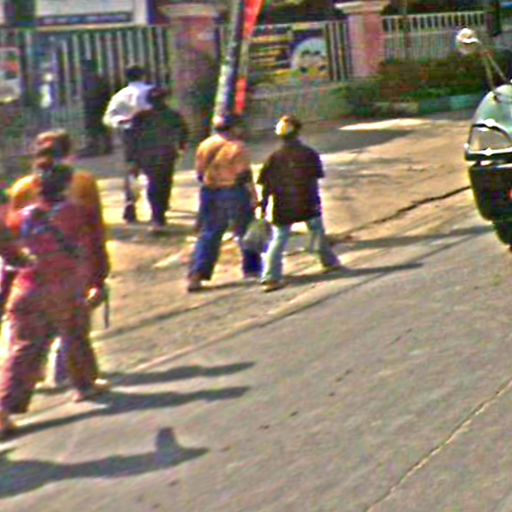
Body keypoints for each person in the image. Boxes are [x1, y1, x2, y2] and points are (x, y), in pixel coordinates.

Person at [0, 145, 110, 438]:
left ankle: (3, 410)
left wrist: (5, 292)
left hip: (27, 289)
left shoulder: (18, 218)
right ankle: (85, 384)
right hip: (65, 287)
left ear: (36, 187)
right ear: (67, 185)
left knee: (24, 350)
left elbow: (9, 259)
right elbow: (94, 248)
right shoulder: (78, 214)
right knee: (75, 336)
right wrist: (97, 280)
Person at [258, 115, 343, 292]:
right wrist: (316, 201)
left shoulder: (274, 157)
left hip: (283, 204)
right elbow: (315, 178)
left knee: (279, 238)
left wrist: (264, 207)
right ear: (297, 132)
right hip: (307, 201)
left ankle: (271, 276)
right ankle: (329, 262)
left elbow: (266, 185)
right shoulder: (308, 154)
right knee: (317, 231)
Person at [187, 113, 262, 292]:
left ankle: (197, 274)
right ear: (234, 128)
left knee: (209, 233)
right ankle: (252, 269)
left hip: (209, 191)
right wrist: (254, 196)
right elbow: (244, 175)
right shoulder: (238, 147)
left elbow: (199, 173)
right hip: (234, 191)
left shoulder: (205, 145)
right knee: (245, 230)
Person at [131, 87, 188, 233]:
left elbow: (132, 138)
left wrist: (133, 158)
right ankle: (159, 214)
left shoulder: (140, 116)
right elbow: (184, 132)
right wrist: (181, 147)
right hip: (165, 155)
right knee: (163, 183)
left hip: (149, 156)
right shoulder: (172, 115)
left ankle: (158, 214)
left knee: (155, 184)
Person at [102, 64, 153, 223]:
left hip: (129, 136)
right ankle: (157, 208)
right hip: (152, 135)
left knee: (131, 170)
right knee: (155, 171)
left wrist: (122, 121)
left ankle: (130, 204)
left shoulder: (120, 96)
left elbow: (108, 117)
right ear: (143, 75)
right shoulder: (151, 91)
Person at [80, 59, 113, 157]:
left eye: (83, 67)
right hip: (100, 106)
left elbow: (92, 93)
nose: (82, 70)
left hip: (95, 107)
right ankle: (106, 147)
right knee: (102, 128)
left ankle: (95, 147)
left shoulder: (91, 79)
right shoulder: (99, 78)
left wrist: (89, 100)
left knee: (95, 128)